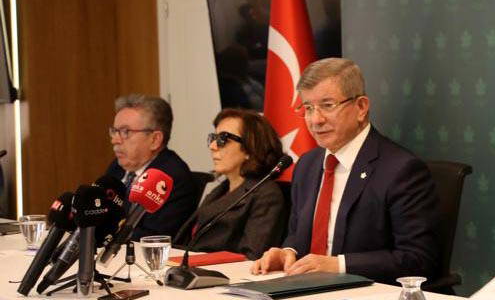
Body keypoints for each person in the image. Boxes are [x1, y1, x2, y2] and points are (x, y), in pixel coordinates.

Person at [251, 58, 440, 283]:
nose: (316, 120)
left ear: (361, 107)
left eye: (328, 105)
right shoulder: (307, 165)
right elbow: (297, 233)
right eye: (308, 108)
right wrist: (288, 252)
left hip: (369, 294)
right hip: (306, 289)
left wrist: (338, 265)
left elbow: (418, 259)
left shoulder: (401, 170)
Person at [174, 109, 287, 259]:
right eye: (213, 137)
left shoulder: (266, 195)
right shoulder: (219, 190)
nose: (213, 146)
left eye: (223, 139)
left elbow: (252, 256)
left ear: (250, 148)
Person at [105, 94, 198, 240]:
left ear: (155, 139)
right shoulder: (117, 168)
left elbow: (152, 236)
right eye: (114, 131)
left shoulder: (172, 178)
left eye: (125, 132)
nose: (115, 140)